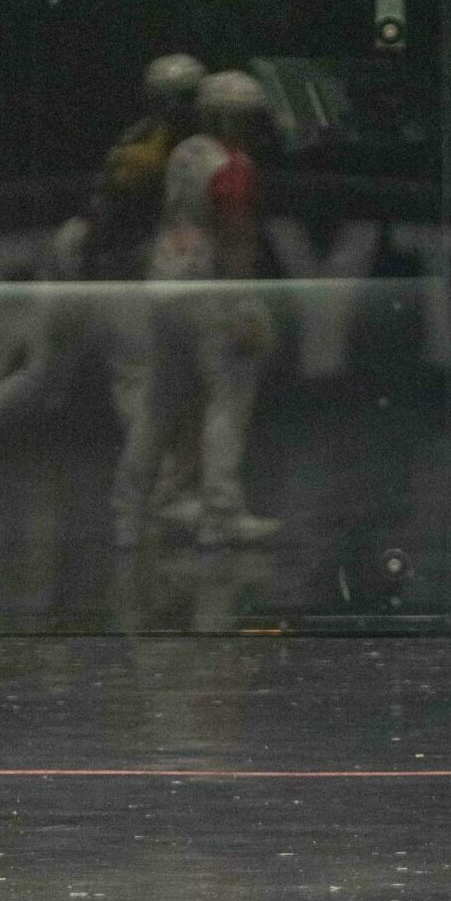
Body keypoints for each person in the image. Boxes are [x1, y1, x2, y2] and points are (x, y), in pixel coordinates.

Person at [0, 51, 205, 458]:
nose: (195, 108)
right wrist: (96, 275)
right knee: (135, 372)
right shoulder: (153, 150)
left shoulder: (156, 140)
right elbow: (111, 223)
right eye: (189, 99)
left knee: (44, 376)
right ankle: (157, 472)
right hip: (97, 265)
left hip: (84, 259)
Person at [111, 70, 281, 550]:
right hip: (211, 294)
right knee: (228, 402)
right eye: (249, 118)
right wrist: (243, 306)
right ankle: (220, 514)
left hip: (166, 288)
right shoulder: (233, 166)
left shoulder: (185, 153)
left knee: (157, 406)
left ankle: (131, 512)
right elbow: (236, 239)